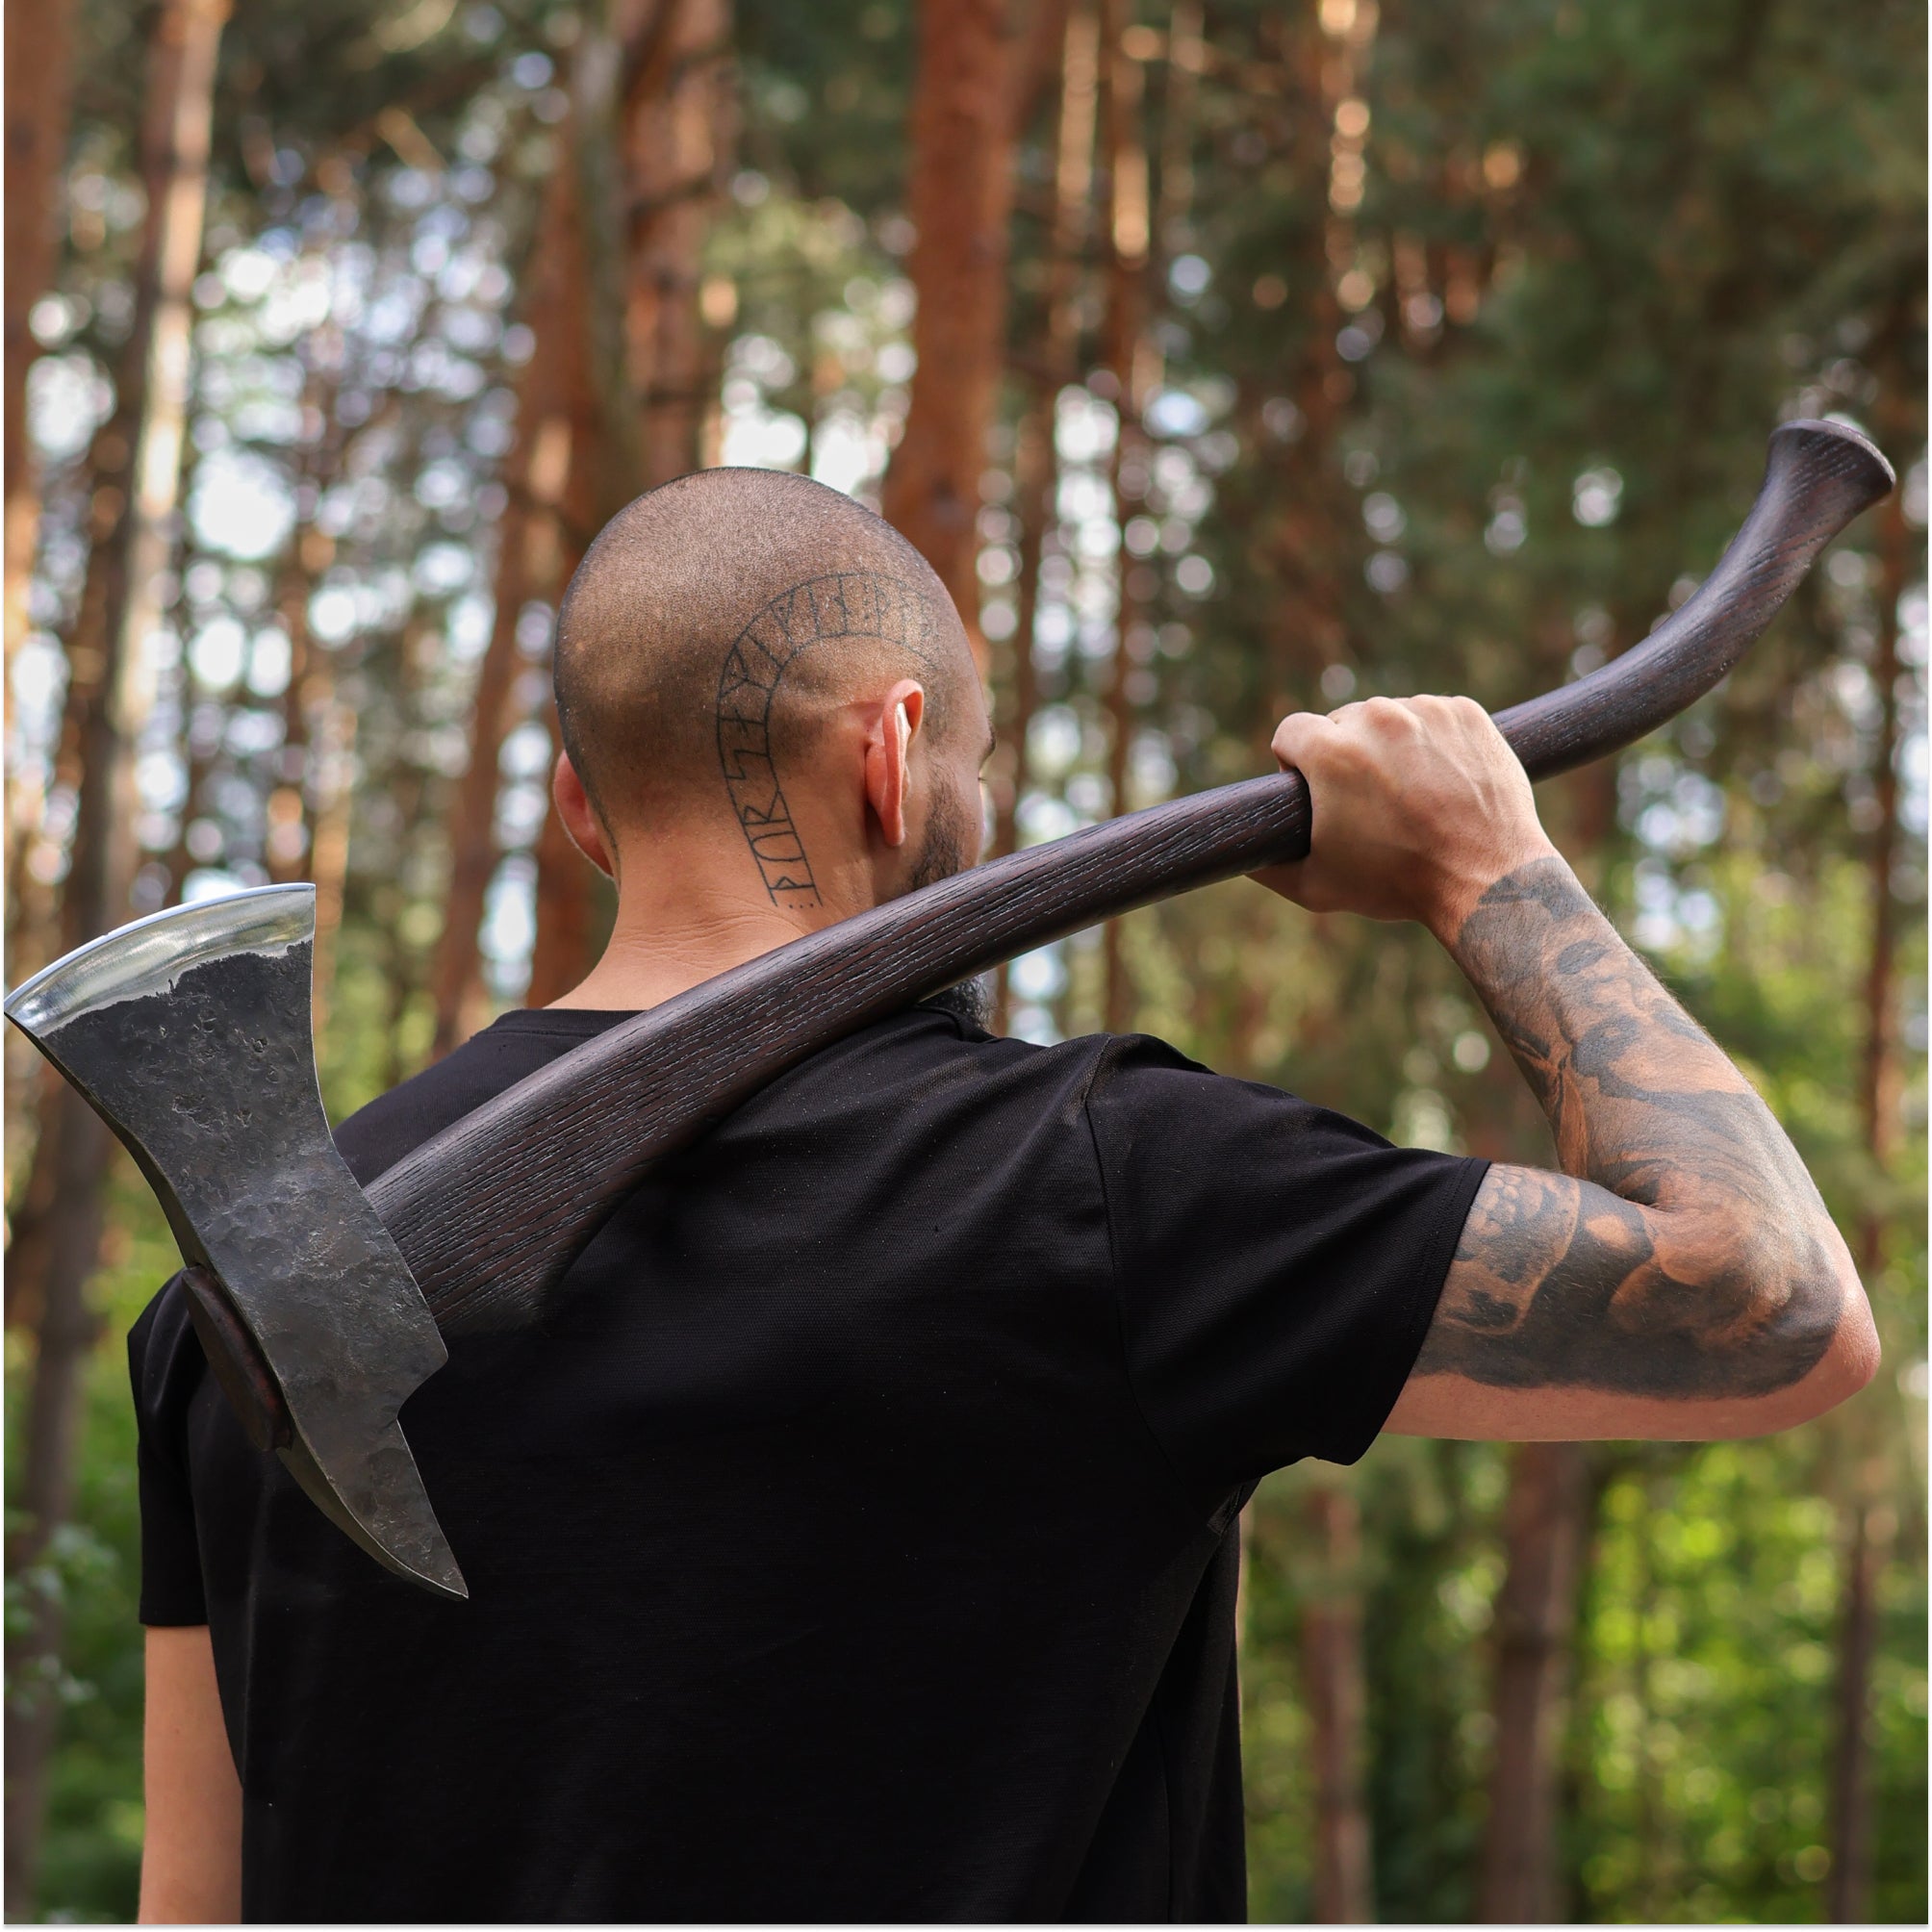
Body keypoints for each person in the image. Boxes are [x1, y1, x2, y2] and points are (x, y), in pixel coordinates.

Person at [132, 469, 1877, 1923]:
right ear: (896, 754)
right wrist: (1492, 866)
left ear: (585, 812)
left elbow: (185, 1911)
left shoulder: (249, 1283)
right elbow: (1775, 1303)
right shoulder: (1114, 1193)